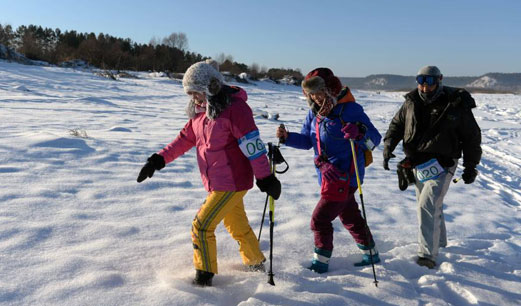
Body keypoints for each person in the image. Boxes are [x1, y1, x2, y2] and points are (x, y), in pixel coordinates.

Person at [137, 59, 281, 286]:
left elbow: (253, 147)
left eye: (196, 92)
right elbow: (183, 140)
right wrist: (157, 160)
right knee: (237, 226)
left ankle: (204, 276)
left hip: (231, 181)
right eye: (190, 94)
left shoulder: (235, 109)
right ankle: (255, 264)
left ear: (210, 87)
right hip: (218, 181)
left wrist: (265, 177)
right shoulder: (201, 113)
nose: (193, 98)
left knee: (202, 226)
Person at [276, 68, 382, 273]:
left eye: (318, 92)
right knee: (350, 216)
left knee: (320, 220)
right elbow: (308, 141)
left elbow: (374, 141)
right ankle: (371, 254)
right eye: (311, 94)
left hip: (346, 177)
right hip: (327, 177)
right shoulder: (314, 114)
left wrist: (359, 133)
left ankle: (320, 263)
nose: (315, 98)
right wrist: (287, 138)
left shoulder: (351, 110)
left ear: (330, 90)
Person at [383, 65, 482, 269]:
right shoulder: (411, 102)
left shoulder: (455, 104)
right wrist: (388, 146)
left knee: (427, 203)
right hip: (419, 161)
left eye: (429, 81)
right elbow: (397, 125)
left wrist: (470, 166)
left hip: (445, 162)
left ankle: (427, 254)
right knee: (428, 202)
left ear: (439, 80)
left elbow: (472, 137)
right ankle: (441, 242)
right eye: (420, 80)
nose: (424, 86)